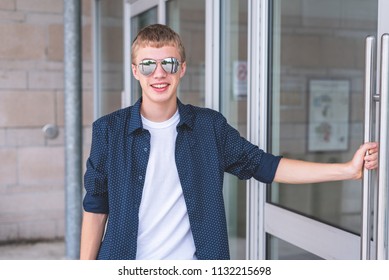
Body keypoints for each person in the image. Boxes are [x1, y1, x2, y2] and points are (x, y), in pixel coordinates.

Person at [80, 24, 378, 260]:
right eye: (147, 65)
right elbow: (95, 206)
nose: (159, 73)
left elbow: (266, 166)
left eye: (168, 63)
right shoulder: (109, 130)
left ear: (182, 69)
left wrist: (346, 169)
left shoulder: (209, 127)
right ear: (135, 71)